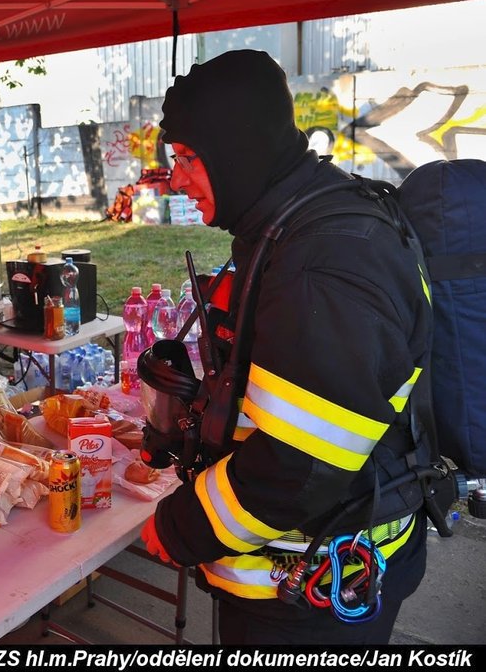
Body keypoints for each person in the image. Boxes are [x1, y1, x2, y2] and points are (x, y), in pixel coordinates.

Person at [140, 50, 432, 645]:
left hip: (312, 589)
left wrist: (181, 527)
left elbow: (296, 469)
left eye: (188, 158)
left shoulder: (323, 260)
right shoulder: (296, 220)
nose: (176, 179)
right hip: (312, 563)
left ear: (238, 148)